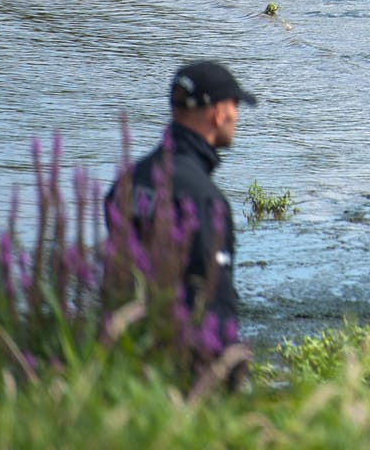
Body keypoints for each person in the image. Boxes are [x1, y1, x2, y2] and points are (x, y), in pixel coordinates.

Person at [105, 61, 258, 364]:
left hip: (125, 354)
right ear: (218, 113)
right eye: (234, 105)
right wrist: (229, 375)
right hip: (181, 367)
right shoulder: (203, 200)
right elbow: (213, 299)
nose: (237, 116)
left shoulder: (127, 182)